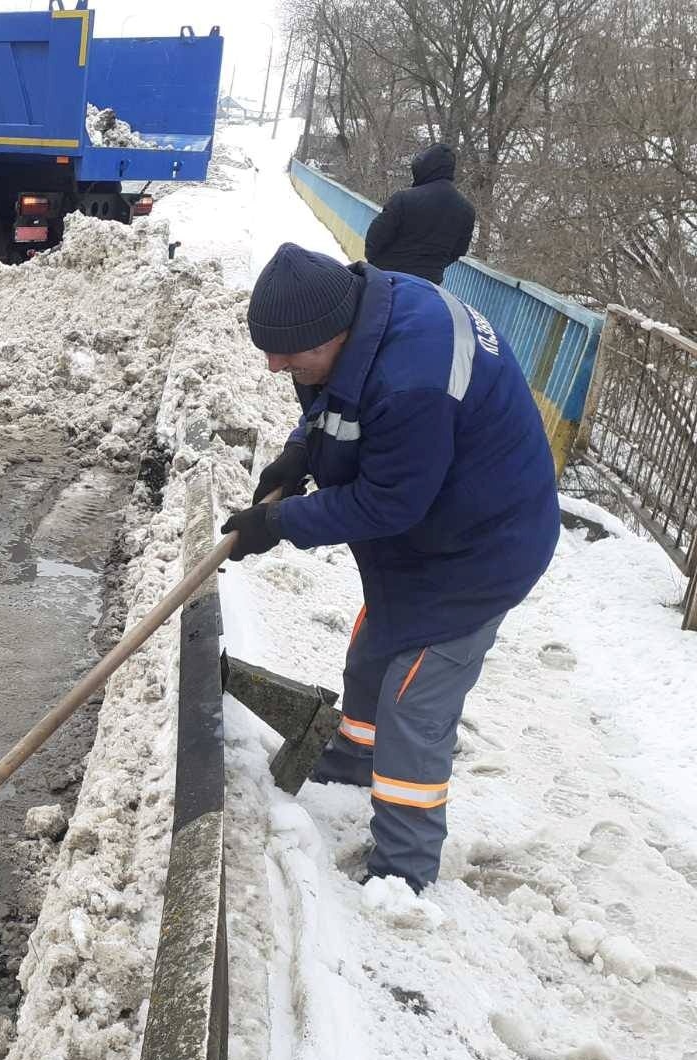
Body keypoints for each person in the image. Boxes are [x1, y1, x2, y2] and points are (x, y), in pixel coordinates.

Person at [220, 243, 559, 892]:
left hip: (480, 554)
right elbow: (337, 400)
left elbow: (389, 502)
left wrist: (279, 524)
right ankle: (352, 764)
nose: (273, 367)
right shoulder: (365, 310)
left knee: (414, 708)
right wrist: (299, 455)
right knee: (373, 655)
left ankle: (404, 872)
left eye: (288, 355)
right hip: (433, 536)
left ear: (333, 332)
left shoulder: (414, 378)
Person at [363, 144, 476, 284]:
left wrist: (376, 263)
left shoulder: (404, 199)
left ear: (424, 167)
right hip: (428, 285)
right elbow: (458, 251)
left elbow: (375, 238)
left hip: (387, 279)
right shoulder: (467, 210)